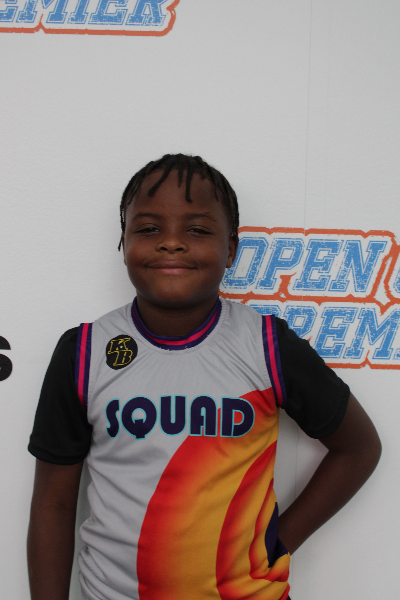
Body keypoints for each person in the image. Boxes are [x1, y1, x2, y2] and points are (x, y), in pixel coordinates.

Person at [27, 153, 382, 600]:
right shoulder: (84, 352)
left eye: (196, 230)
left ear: (230, 248)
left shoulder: (267, 345)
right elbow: (54, 503)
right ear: (123, 241)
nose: (171, 243)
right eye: (148, 228)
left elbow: (359, 448)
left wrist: (277, 543)